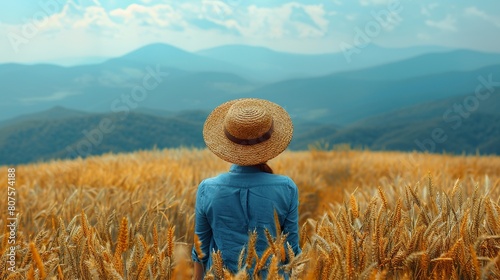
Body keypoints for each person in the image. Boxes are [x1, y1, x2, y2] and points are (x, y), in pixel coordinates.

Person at [192, 98, 301, 279]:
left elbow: (200, 247)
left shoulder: (207, 189)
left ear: (229, 145)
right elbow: (291, 250)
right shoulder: (286, 187)